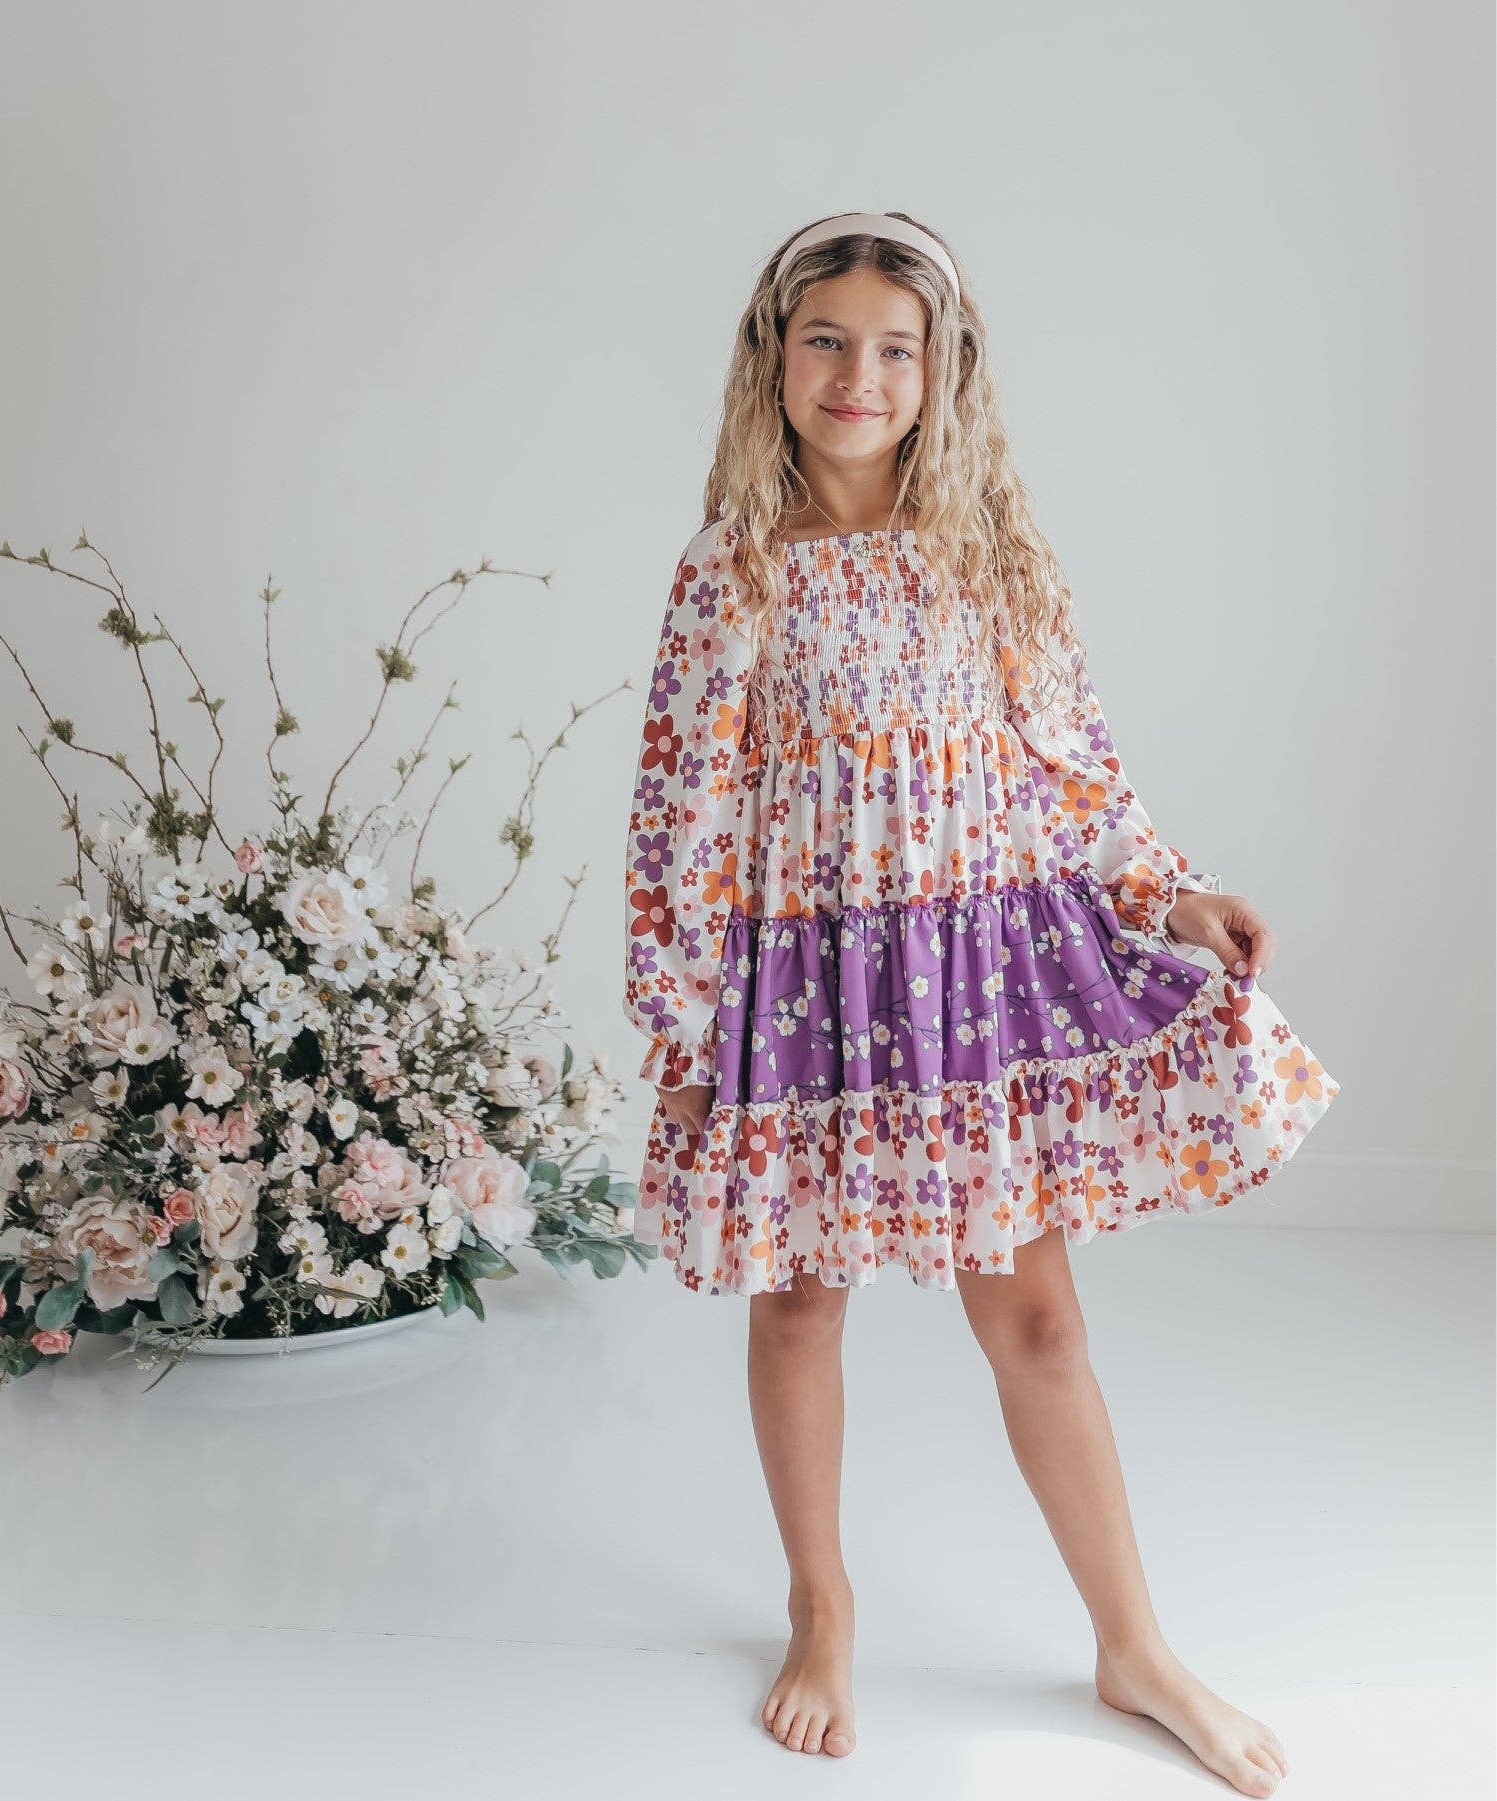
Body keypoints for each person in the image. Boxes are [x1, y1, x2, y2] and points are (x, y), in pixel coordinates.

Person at [620, 210, 1338, 1792]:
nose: (858, 376)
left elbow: (1075, 773)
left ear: (942, 371)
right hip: (806, 985)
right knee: (798, 1302)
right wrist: (681, 1022)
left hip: (972, 981)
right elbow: (680, 809)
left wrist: (1170, 892)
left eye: (896, 348)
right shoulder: (731, 570)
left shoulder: (988, 556)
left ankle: (1133, 1645)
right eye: (826, 340)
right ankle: (820, 1605)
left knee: (1037, 1316)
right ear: (771, 357)